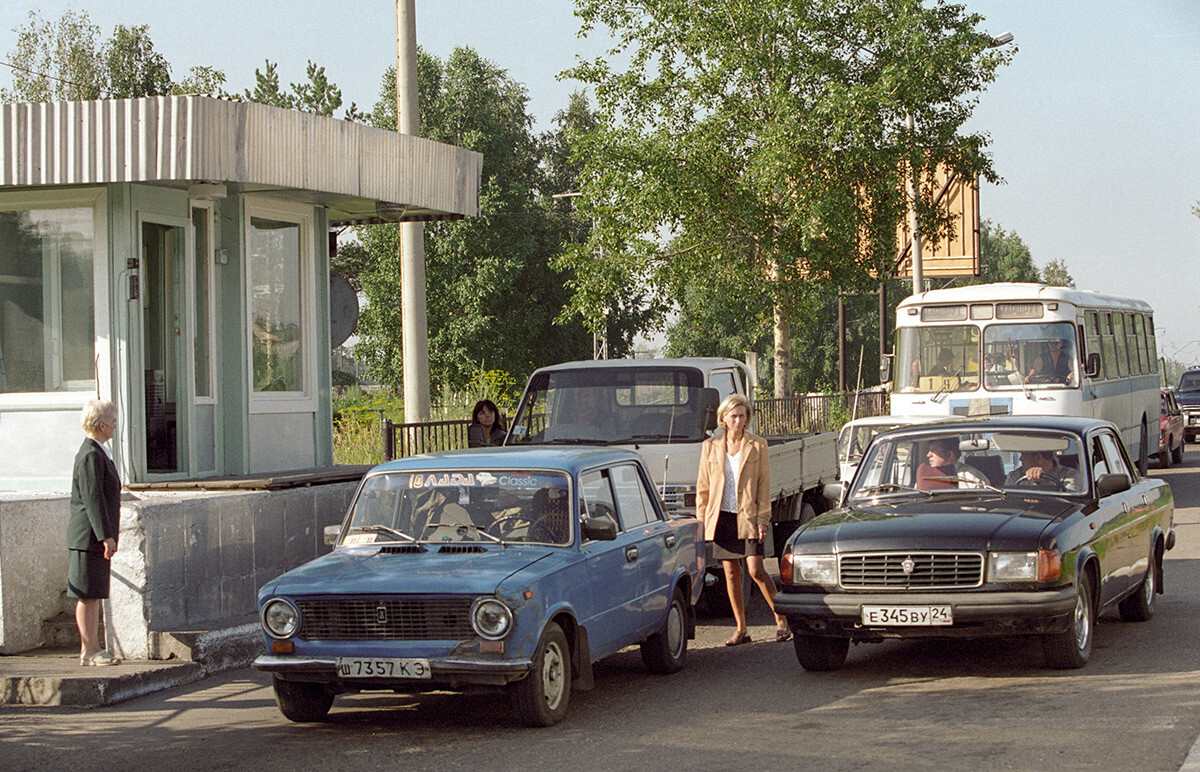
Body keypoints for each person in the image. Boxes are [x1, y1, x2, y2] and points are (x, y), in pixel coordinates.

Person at [695, 394, 791, 646]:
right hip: (722, 517)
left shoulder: (757, 445)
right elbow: (703, 487)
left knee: (756, 569)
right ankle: (741, 628)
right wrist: (702, 519)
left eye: (742, 415)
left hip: (747, 516)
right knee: (730, 572)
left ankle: (781, 619)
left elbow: (763, 484)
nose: (738, 420)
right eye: (733, 416)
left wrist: (762, 519)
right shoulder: (711, 446)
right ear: (723, 418)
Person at [68, 399, 122, 666]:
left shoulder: (99, 451)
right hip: (88, 537)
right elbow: (93, 499)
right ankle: (89, 650)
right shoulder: (91, 454)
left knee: (93, 593)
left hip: (94, 537)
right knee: (88, 594)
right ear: (102, 425)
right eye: (112, 421)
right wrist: (106, 536)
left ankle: (92, 648)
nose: (115, 425)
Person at [915, 437, 989, 490]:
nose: (928, 455)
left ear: (950, 454)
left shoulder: (972, 477)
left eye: (933, 451)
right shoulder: (925, 477)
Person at [1004, 450, 1083, 492]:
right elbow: (1006, 501)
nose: (1020, 459)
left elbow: (1069, 504)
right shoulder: (1015, 476)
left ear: (1038, 457)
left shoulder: (1071, 475)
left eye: (1023, 454)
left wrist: (1044, 482)